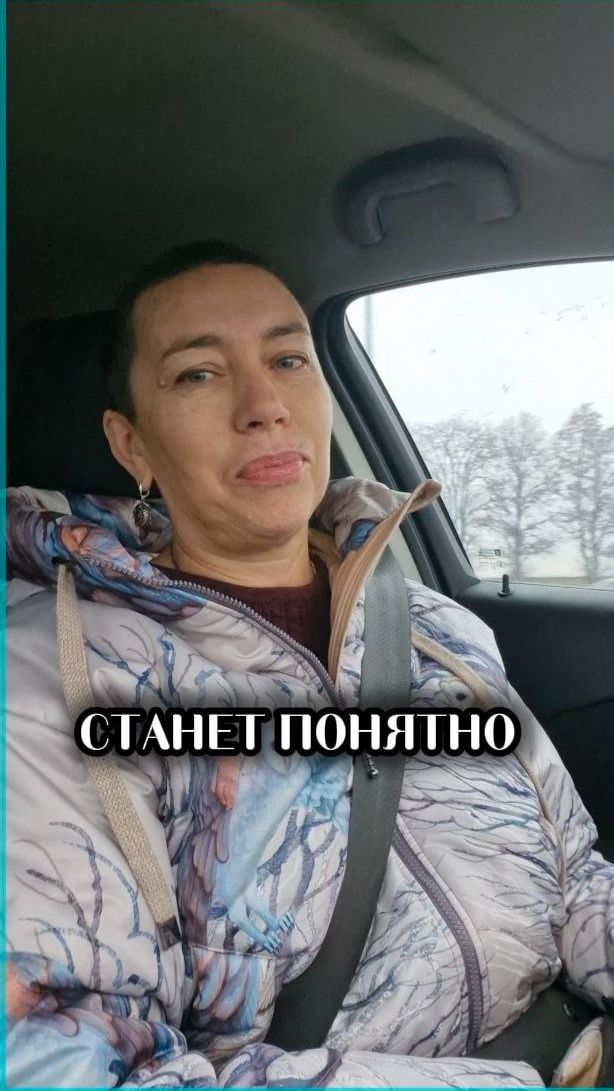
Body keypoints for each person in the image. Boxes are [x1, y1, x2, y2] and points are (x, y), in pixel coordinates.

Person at [6, 240, 614, 1089]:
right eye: (198, 374)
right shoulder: (51, 677)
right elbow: (73, 1058)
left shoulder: (437, 627)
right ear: (131, 443)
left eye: (289, 358)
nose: (264, 405)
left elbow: (577, 874)